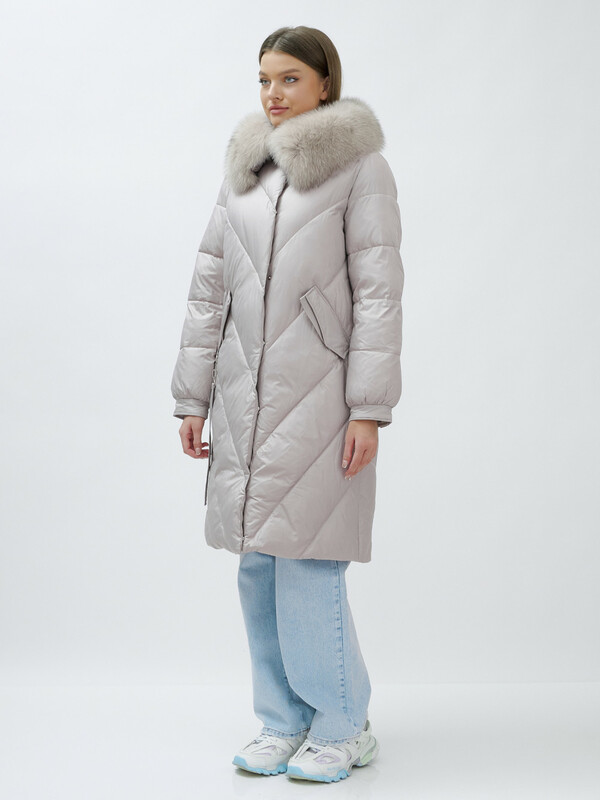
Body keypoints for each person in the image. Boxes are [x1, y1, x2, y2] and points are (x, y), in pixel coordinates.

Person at [170, 26, 404, 783]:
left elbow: (379, 294)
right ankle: (282, 719)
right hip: (245, 400)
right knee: (258, 567)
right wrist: (192, 397)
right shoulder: (244, 171)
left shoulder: (360, 169)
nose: (273, 93)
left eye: (290, 79)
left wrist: (368, 407)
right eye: (265, 79)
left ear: (324, 84)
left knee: (309, 566)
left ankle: (343, 726)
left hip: (321, 401)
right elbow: (208, 287)